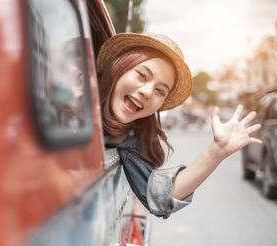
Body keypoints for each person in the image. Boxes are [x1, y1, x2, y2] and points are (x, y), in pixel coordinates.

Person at [96, 33, 262, 219]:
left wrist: (218, 149)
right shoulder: (67, 101)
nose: (147, 92)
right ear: (117, 68)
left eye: (160, 91)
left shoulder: (125, 139)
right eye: (142, 75)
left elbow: (161, 198)